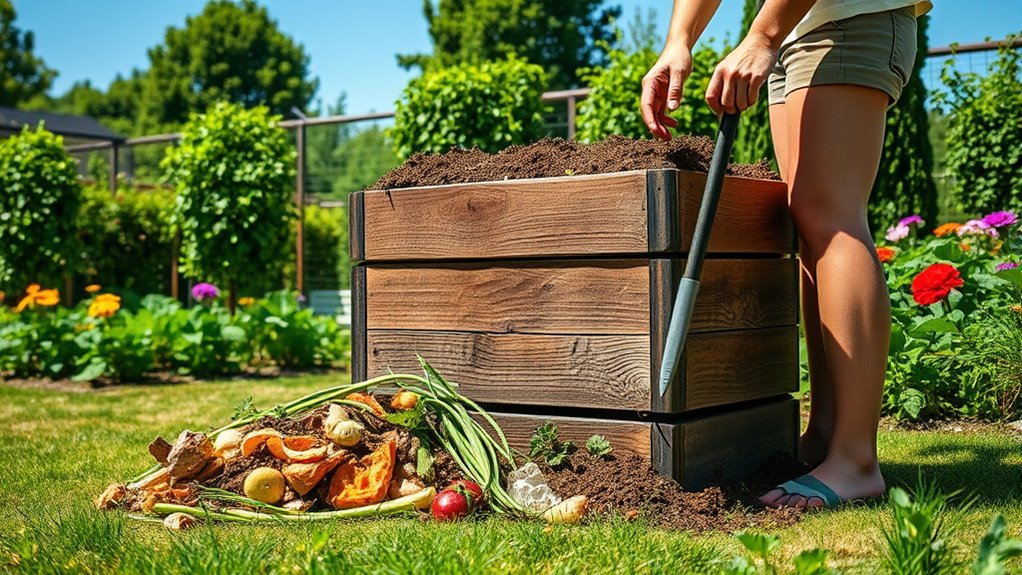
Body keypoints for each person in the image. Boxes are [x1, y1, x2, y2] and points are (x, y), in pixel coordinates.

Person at [641, 0, 932, 509]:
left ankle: (856, 459)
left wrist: (763, 36)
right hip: (798, 26)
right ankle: (825, 438)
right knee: (810, 227)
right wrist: (678, 40)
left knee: (832, 216)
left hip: (849, 15)